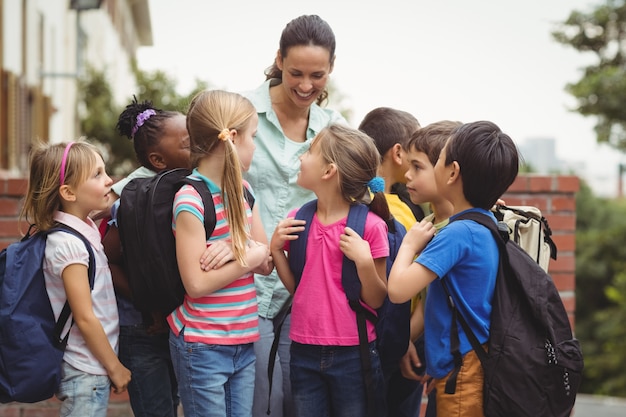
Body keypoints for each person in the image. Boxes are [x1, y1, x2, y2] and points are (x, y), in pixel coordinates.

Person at [242, 14, 347, 417]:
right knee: (258, 403)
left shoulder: (333, 129)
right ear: (279, 61)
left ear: (331, 68)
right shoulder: (241, 112)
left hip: (302, 289)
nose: (306, 86)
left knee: (295, 404)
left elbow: (359, 185)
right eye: (296, 73)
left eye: (317, 75)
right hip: (243, 282)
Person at [388, 120, 519, 417]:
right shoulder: (483, 222)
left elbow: (398, 291)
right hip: (465, 363)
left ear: (453, 172)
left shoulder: (456, 234)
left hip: (464, 370)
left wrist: (408, 245)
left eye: (441, 157)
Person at [270, 124, 389, 417]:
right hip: (302, 350)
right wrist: (275, 250)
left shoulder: (371, 227)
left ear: (329, 171)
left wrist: (363, 261)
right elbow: (300, 290)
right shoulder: (297, 220)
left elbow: (376, 299)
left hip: (353, 353)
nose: (301, 157)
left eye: (310, 151)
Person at [168, 89, 273, 417]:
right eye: (254, 136)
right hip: (202, 345)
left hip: (243, 340)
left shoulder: (245, 191)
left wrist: (234, 249)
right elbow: (196, 285)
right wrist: (248, 258)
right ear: (235, 137)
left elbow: (267, 262)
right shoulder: (190, 199)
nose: (255, 145)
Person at [21, 140, 131, 417]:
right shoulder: (69, 246)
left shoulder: (83, 230)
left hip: (89, 367)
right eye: (97, 175)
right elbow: (84, 317)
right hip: (86, 370)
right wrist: (114, 367)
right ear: (68, 192)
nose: (109, 181)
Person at [102, 98, 191, 417]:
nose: (198, 146)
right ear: (158, 159)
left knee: (172, 402)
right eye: (188, 142)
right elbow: (106, 260)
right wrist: (148, 305)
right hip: (141, 328)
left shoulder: (191, 193)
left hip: (175, 326)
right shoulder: (134, 199)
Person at [358, 107, 425, 417]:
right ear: (398, 153)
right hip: (392, 345)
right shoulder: (397, 214)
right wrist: (403, 339)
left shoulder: (359, 207)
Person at [403, 120, 461, 416]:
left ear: (450, 171)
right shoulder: (431, 225)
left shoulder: (448, 234)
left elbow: (416, 298)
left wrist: (401, 343)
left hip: (457, 367)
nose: (407, 175)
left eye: (418, 167)